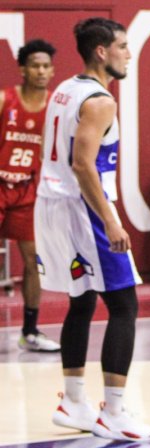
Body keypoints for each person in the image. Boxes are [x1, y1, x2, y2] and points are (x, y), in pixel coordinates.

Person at [36, 17, 150, 442]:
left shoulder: (64, 89)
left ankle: (72, 401)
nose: (128, 52)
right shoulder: (101, 100)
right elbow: (82, 164)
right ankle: (115, 411)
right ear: (102, 52)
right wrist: (111, 220)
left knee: (82, 301)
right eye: (122, 45)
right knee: (125, 305)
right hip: (85, 209)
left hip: (53, 205)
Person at [0, 39, 60, 352]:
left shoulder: (55, 107)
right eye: (35, 65)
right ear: (22, 69)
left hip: (29, 189)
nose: (40, 70)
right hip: (0, 184)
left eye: (46, 65)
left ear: (52, 71)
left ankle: (30, 330)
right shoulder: (5, 100)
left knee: (33, 258)